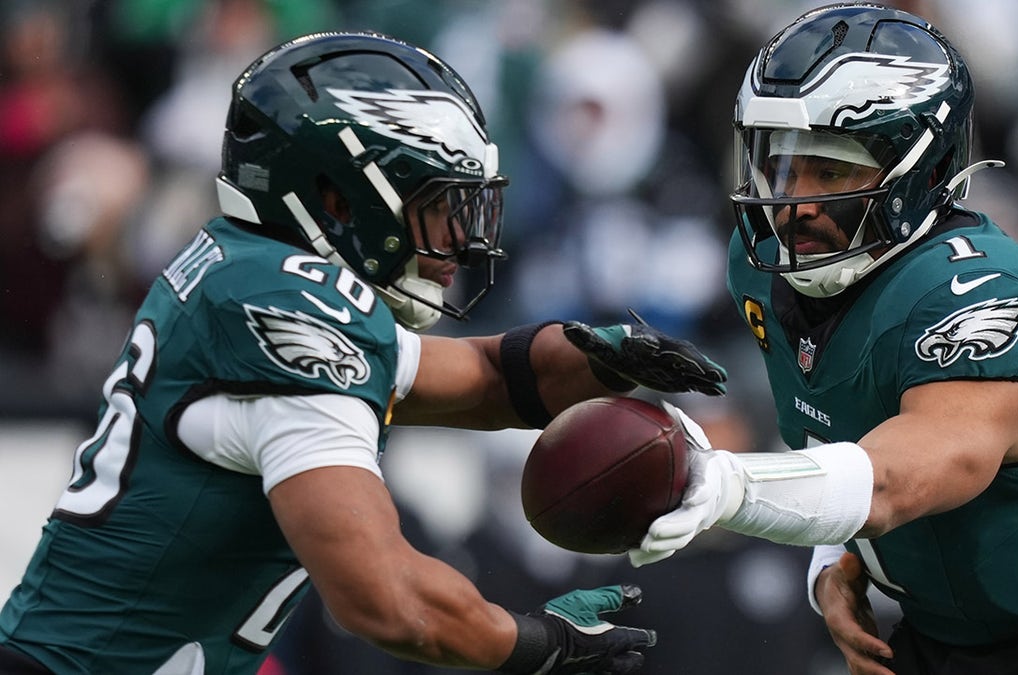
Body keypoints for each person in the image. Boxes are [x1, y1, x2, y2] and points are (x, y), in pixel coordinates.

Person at [0, 31, 728, 675]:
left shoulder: (257, 271)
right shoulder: (288, 311)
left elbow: (478, 377)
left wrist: (602, 358)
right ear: (337, 196)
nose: (460, 240)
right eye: (437, 203)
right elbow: (385, 599)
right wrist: (538, 642)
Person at [624, 4, 1018, 674]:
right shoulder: (764, 270)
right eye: (781, 167)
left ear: (918, 170)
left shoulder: (979, 287)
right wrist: (833, 560)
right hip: (953, 642)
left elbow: (900, 477)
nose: (795, 204)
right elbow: (835, 431)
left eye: (831, 171)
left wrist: (725, 485)